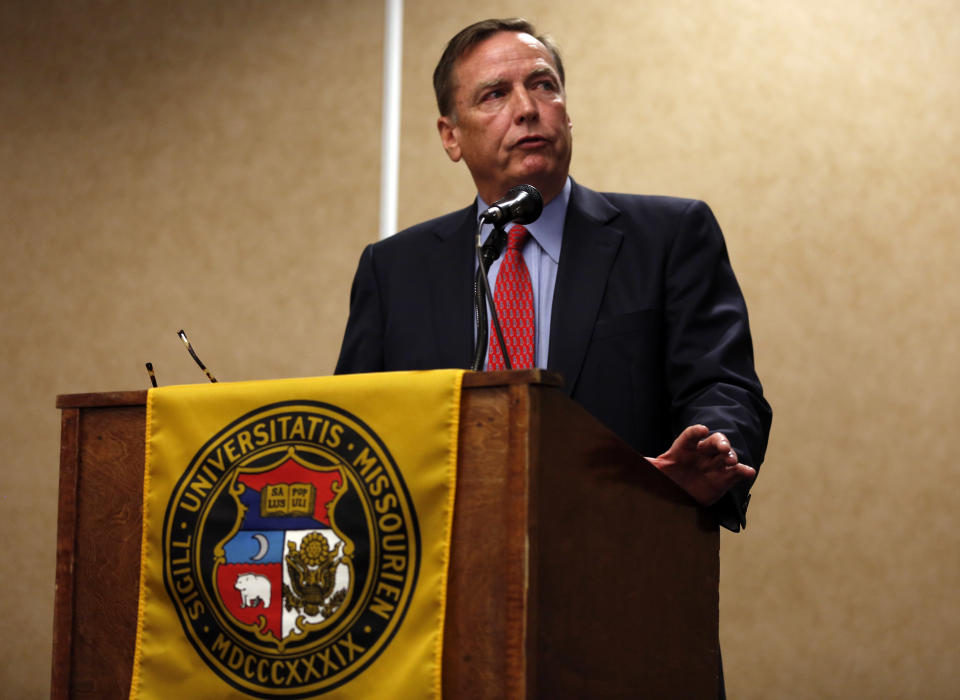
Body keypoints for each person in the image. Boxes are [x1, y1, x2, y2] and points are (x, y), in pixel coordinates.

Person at [335, 18, 771, 532]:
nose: (526, 108)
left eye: (543, 86)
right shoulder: (394, 272)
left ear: (566, 113)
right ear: (451, 136)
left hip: (624, 551)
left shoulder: (669, 237)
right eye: (495, 94)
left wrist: (712, 448)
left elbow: (724, 385)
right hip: (443, 575)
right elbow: (356, 431)